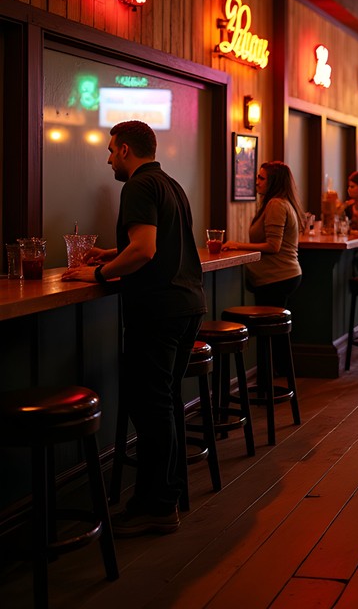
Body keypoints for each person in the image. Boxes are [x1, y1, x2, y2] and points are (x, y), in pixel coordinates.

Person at [62, 120, 206, 536]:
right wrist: (112, 252)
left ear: (125, 149)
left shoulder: (138, 187)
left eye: (111, 151)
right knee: (164, 403)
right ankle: (170, 494)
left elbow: (145, 250)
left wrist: (101, 273)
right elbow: (157, 245)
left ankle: (156, 507)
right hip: (187, 304)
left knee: (151, 406)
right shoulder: (170, 184)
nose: (108, 159)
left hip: (159, 310)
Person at [223, 161, 303, 367]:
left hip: (277, 276)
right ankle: (274, 373)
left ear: (273, 182)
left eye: (261, 178)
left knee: (270, 335)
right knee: (274, 335)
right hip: (283, 275)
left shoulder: (276, 204)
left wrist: (237, 245)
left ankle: (268, 377)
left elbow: (273, 245)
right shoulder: (280, 202)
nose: (256, 181)